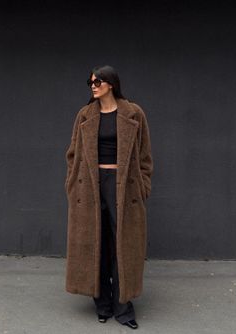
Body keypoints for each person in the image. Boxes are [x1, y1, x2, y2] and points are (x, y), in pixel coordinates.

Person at [64, 65, 153, 329]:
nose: (93, 85)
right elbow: (72, 154)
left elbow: (145, 156)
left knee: (122, 246)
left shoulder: (133, 113)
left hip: (124, 186)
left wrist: (143, 186)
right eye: (90, 82)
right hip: (89, 186)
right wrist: (72, 184)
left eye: (98, 81)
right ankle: (102, 305)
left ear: (111, 83)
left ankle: (123, 309)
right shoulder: (84, 115)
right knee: (96, 244)